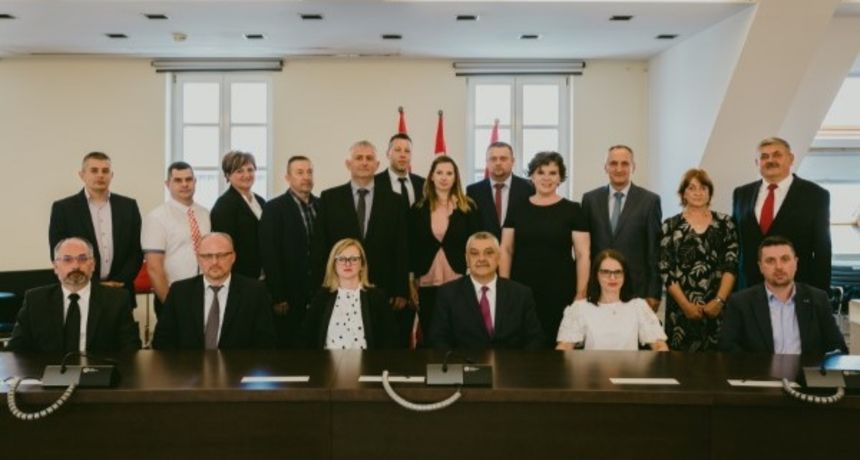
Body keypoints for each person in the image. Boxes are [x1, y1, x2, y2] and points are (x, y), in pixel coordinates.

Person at [311, 140, 409, 346]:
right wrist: (322, 286)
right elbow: (321, 246)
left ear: (377, 164)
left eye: (369, 158)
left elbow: (401, 247)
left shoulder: (396, 201)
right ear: (348, 164)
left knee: (379, 344)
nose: (364, 162)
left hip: (384, 288)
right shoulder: (329, 198)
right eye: (359, 158)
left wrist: (401, 289)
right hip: (340, 287)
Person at [499, 152, 590, 347]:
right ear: (531, 176)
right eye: (541, 172)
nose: (546, 178)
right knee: (522, 345)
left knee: (559, 345)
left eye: (553, 173)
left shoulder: (573, 209)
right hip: (521, 288)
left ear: (560, 178)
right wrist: (504, 287)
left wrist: (581, 292)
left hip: (560, 289)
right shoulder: (517, 208)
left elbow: (583, 255)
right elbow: (505, 249)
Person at [7, 237, 141, 353]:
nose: (76, 265)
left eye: (82, 259)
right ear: (55, 267)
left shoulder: (117, 300)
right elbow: (15, 351)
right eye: (67, 260)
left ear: (93, 265)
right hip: (47, 373)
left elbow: (131, 351)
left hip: (98, 372)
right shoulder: (35, 301)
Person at [732, 136, 831, 292]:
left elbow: (822, 249)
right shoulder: (741, 194)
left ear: (791, 159)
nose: (770, 160)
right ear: (757, 162)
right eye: (764, 157)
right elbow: (736, 245)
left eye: (777, 155)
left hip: (796, 289)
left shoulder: (815, 195)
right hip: (749, 290)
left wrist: (820, 296)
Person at [719, 236, 846, 355]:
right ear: (760, 267)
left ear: (796, 263)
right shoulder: (740, 303)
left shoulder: (818, 299)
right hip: (759, 371)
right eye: (770, 261)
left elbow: (837, 347)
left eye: (785, 259)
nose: (779, 267)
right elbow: (727, 349)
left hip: (805, 371)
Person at [49, 151, 143, 306]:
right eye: (94, 170)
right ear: (82, 175)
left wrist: (119, 281)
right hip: (80, 290)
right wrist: (94, 284)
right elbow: (58, 252)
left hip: (121, 291)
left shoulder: (128, 206)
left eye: (105, 171)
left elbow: (136, 251)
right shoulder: (63, 208)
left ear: (112, 175)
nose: (100, 175)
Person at [152, 233, 275, 350]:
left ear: (233, 257)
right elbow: (162, 341)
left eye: (221, 255)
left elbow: (265, 343)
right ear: (198, 259)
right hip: (189, 364)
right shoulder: (179, 292)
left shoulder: (255, 292)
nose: (214, 262)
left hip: (238, 364)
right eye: (207, 256)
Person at [659, 169, 738, 351]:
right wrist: (685, 305)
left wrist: (719, 301)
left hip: (717, 308)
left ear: (710, 193)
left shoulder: (726, 223)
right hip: (680, 310)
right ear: (683, 193)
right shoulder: (670, 225)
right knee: (679, 364)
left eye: (703, 188)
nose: (698, 192)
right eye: (692, 188)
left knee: (719, 363)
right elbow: (665, 268)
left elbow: (731, 264)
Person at [428, 231, 544, 351]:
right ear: (467, 259)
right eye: (474, 253)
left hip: (510, 362)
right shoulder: (448, 294)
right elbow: (438, 338)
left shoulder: (521, 294)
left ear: (498, 258)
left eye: (489, 253)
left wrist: (518, 362)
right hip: (464, 361)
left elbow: (535, 338)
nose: (481, 259)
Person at [581, 145, 662, 311]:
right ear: (605, 167)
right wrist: (583, 289)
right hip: (598, 290)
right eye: (613, 163)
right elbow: (584, 250)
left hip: (636, 291)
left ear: (633, 167)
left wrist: (654, 293)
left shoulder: (650, 201)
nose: (619, 169)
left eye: (625, 163)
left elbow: (654, 251)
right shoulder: (590, 200)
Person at [409, 155, 480, 336]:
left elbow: (475, 244)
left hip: (458, 278)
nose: (444, 177)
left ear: (455, 177)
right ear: (431, 176)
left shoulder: (467, 207)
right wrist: (411, 279)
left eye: (449, 173)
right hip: (427, 279)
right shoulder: (418, 208)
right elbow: (412, 247)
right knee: (431, 331)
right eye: (439, 172)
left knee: (458, 331)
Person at [259, 155, 318, 348]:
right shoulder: (273, 208)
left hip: (317, 291)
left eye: (309, 172)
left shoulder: (321, 205)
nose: (306, 177)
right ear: (288, 177)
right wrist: (278, 295)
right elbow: (269, 254)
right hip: (288, 294)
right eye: (299, 172)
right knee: (289, 350)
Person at [556, 249, 668, 351]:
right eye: (606, 272)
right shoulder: (581, 308)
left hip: (629, 367)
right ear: (596, 275)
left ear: (625, 275)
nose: (613, 278)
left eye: (618, 272)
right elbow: (564, 347)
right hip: (592, 367)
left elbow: (660, 346)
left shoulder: (638, 306)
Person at [300, 238, 398, 349]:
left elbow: (390, 339)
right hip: (328, 360)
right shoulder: (322, 297)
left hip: (368, 360)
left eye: (354, 259)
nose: (347, 263)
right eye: (341, 259)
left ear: (362, 265)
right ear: (333, 264)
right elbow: (306, 338)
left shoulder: (377, 297)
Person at [141, 161, 211, 315]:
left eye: (188, 179)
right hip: (173, 294)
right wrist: (169, 305)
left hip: (204, 292)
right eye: (178, 180)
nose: (184, 184)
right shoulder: (156, 218)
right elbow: (154, 268)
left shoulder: (205, 214)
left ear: (195, 182)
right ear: (168, 184)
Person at [210, 151, 266, 279]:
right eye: (239, 171)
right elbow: (224, 247)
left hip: (262, 274)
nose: (247, 175)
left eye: (250, 170)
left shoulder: (261, 201)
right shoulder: (224, 205)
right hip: (240, 275)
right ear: (228, 175)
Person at [466, 141, 534, 240]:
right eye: (493, 159)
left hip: (520, 248)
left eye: (503, 158)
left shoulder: (529, 188)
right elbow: (471, 228)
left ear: (513, 161)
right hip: (485, 248)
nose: (498, 163)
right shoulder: (473, 191)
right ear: (487, 162)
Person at [374, 133, 425, 208]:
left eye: (407, 151)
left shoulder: (423, 184)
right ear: (388, 154)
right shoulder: (374, 183)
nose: (403, 155)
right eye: (398, 150)